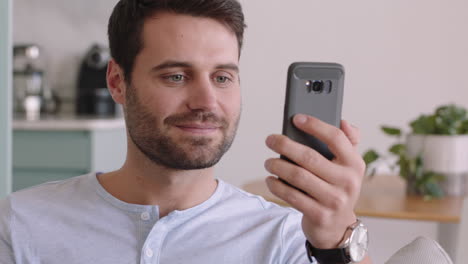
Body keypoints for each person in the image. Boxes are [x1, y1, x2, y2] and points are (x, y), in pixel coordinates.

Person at [0, 0, 371, 263]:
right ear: (117, 82)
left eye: (222, 77)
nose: (206, 101)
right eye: (176, 76)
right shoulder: (20, 224)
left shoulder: (290, 240)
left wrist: (338, 241)